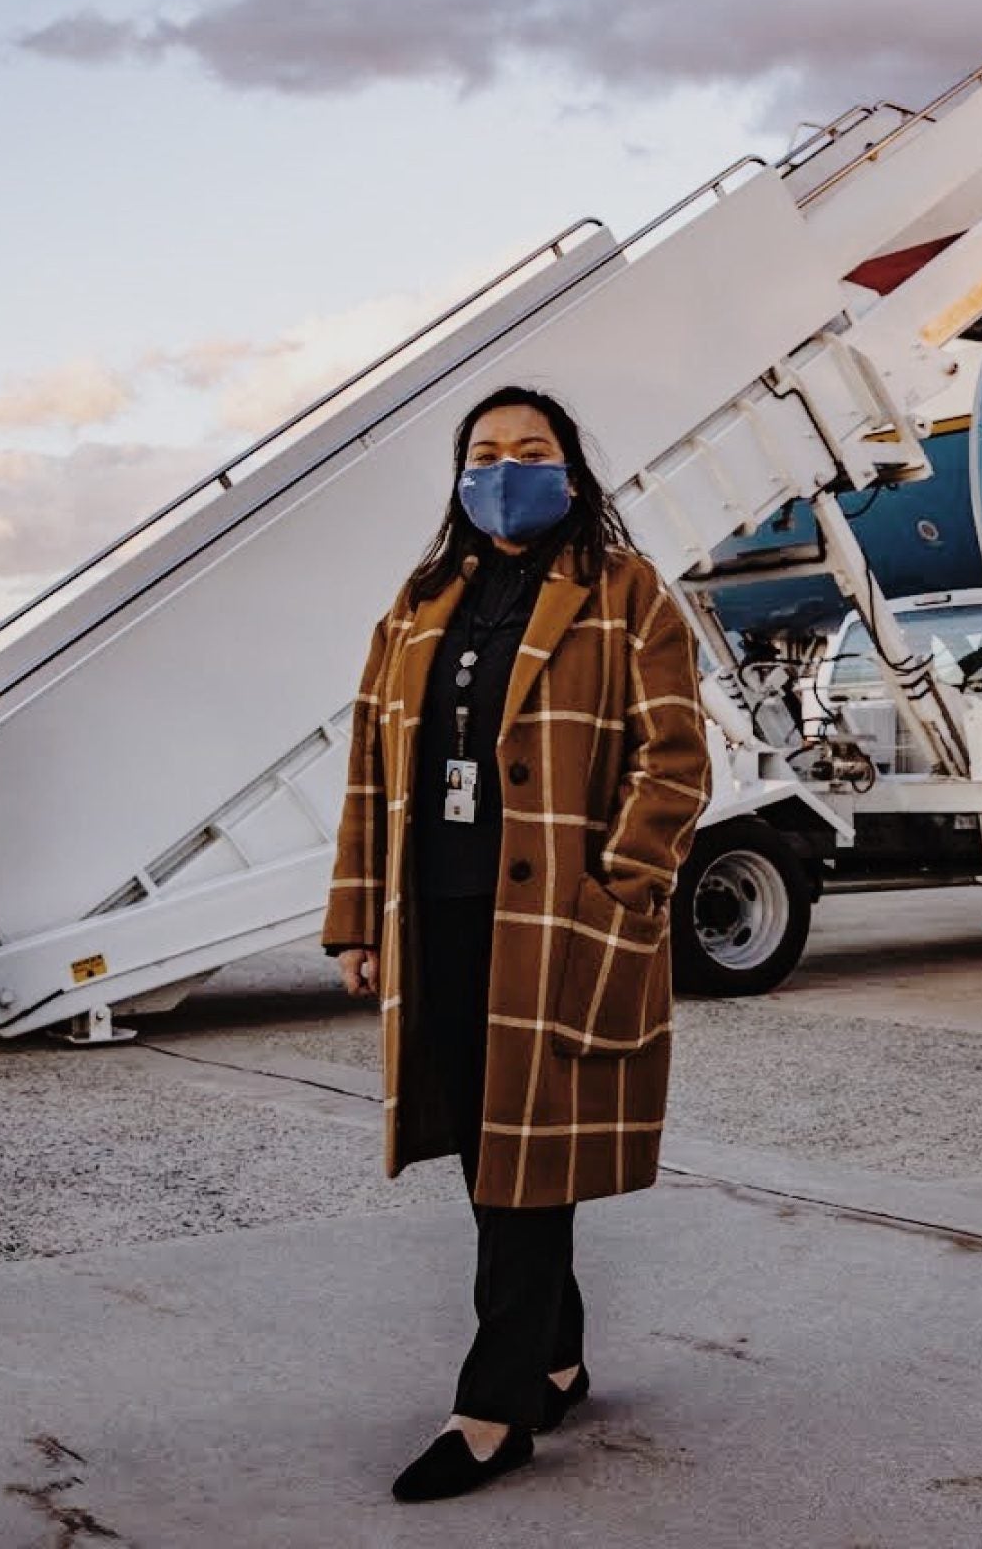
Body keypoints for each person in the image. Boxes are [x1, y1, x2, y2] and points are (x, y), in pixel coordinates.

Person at [323, 385, 711, 1504]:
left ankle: (493, 1411)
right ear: (459, 476)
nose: (507, 467)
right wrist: (358, 918)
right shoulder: (421, 599)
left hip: (552, 923)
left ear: (573, 472)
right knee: (493, 1148)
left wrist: (621, 888)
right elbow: (370, 763)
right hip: (437, 917)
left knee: (524, 1155)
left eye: (531, 450)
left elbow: (676, 759)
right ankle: (556, 1354)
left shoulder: (627, 594)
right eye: (486, 452)